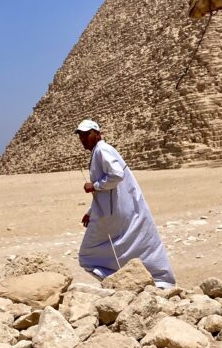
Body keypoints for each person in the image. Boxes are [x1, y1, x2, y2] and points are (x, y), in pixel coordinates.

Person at [75, 119, 175, 288]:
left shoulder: (102, 150)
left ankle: (117, 282)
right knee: (137, 244)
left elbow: (116, 175)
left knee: (87, 255)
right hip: (116, 210)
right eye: (81, 135)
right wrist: (91, 211)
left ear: (98, 134)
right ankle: (159, 281)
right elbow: (109, 190)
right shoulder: (100, 151)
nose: (83, 139)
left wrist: (94, 185)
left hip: (115, 213)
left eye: (87, 134)